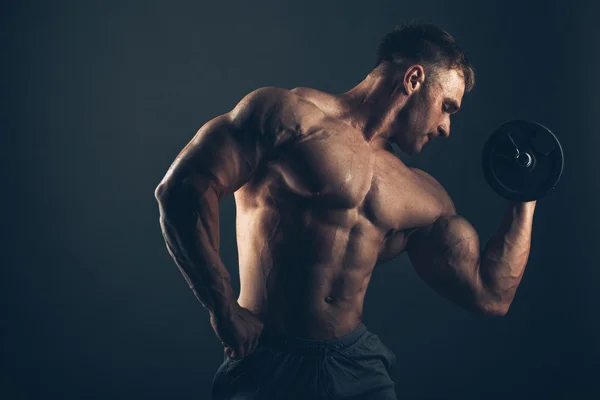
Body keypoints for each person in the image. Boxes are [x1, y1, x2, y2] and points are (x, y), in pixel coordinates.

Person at [154, 23, 536, 400]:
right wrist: (222, 307)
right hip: (267, 359)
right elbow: (183, 189)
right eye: (446, 107)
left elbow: (491, 295)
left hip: (356, 368)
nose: (446, 127)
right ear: (414, 79)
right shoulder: (288, 117)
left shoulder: (422, 195)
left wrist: (526, 191)